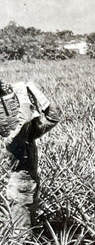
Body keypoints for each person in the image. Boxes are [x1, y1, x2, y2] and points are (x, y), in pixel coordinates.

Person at [1, 80, 61, 230]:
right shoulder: (13, 140)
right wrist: (22, 96)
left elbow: (53, 116)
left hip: (31, 185)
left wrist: (33, 89)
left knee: (30, 230)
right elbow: (26, 119)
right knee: (22, 236)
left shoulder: (29, 136)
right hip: (19, 190)